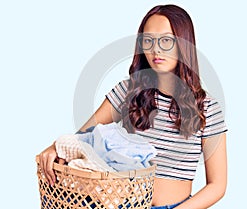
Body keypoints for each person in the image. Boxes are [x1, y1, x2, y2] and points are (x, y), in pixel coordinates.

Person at [39, 4, 228, 209]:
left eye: (166, 40)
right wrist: (56, 147)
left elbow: (217, 185)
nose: (156, 50)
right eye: (148, 41)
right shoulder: (129, 91)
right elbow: (84, 136)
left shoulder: (207, 108)